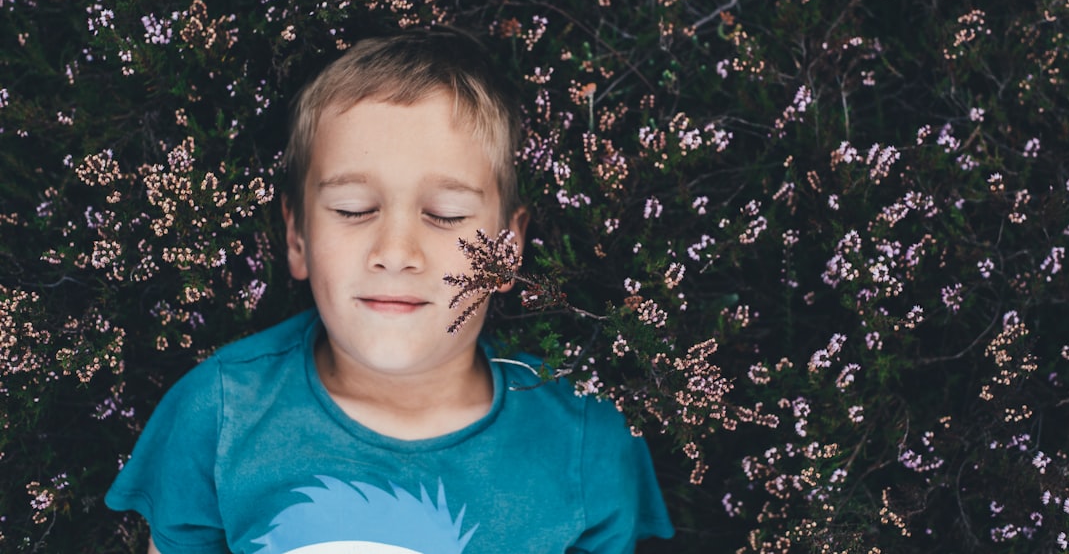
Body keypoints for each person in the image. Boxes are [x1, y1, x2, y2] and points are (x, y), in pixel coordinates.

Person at [106, 28, 674, 553]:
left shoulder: (587, 443)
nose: (397, 252)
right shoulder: (221, 413)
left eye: (446, 214)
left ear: (507, 248)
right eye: (354, 209)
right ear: (298, 236)